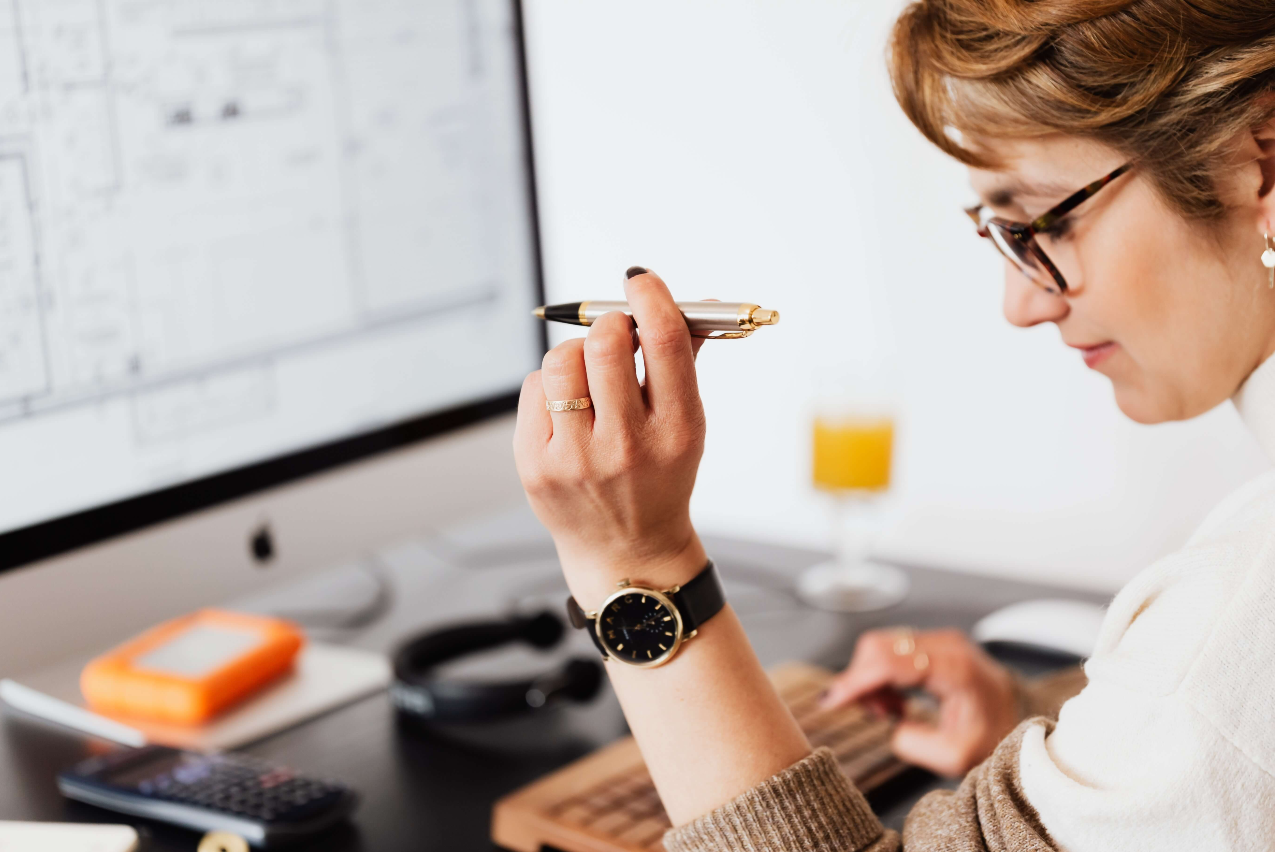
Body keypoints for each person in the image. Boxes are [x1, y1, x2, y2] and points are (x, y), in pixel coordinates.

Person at [513, 1, 1275, 849]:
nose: (1020, 301)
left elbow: (1217, 702)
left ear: (1264, 163)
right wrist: (1048, 726)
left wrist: (636, 561)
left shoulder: (1237, 614)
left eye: (1038, 221)